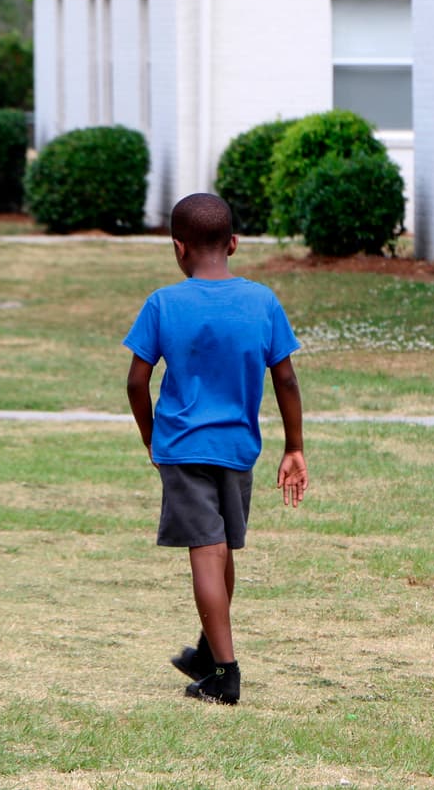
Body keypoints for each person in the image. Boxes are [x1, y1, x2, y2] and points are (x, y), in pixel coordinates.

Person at [123, 192, 308, 705]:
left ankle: (225, 674)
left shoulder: (164, 303)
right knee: (221, 545)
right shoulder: (263, 301)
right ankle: (209, 649)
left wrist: (150, 435)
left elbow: (137, 382)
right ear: (233, 243)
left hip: (183, 446)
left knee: (206, 551)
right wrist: (294, 446)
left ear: (178, 248)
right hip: (238, 447)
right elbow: (287, 380)